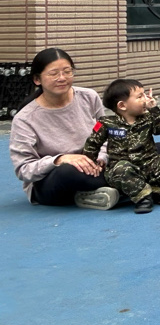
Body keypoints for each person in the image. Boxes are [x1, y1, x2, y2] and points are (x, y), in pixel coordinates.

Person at [9, 48, 116, 209]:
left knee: (149, 148)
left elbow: (104, 133)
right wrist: (60, 159)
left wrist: (102, 156)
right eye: (54, 73)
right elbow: (24, 169)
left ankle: (103, 193)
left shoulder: (89, 97)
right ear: (37, 79)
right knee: (68, 172)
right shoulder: (25, 119)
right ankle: (131, 185)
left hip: (96, 167)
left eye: (67, 72)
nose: (62, 78)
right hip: (54, 180)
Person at [82, 79, 160, 214]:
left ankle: (157, 191)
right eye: (140, 97)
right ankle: (143, 196)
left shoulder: (148, 118)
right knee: (122, 168)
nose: (145, 99)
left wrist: (154, 109)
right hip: (123, 169)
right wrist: (92, 162)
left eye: (145, 94)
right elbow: (92, 144)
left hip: (148, 165)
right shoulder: (106, 123)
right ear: (122, 105)